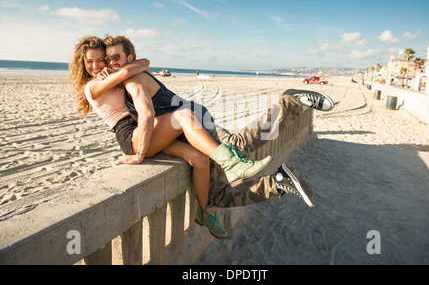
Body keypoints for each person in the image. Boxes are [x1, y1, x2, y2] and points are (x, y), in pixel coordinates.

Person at [100, 35, 335, 222]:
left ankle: (289, 105)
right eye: (108, 60)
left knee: (234, 155)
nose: (112, 63)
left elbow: (146, 109)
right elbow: (143, 64)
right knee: (229, 164)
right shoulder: (136, 71)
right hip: (196, 119)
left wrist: (139, 154)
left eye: (116, 57)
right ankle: (278, 181)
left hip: (193, 123)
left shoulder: (133, 78)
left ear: (129, 56)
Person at [69, 36, 274, 238]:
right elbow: (134, 69)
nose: (96, 65)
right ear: (82, 63)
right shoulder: (92, 86)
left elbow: (142, 64)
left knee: (201, 160)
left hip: (151, 129)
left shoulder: (115, 75)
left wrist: (132, 65)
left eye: (100, 60)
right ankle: (231, 163)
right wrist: (139, 154)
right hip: (132, 135)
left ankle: (206, 212)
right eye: (89, 61)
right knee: (183, 116)